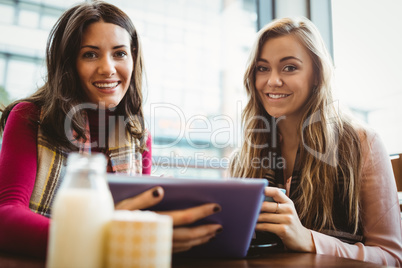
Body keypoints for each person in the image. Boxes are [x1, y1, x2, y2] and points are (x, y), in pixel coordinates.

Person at [0, 1, 222, 258]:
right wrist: (101, 240)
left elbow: (138, 218)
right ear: (69, 63)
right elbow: (6, 216)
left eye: (119, 53)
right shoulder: (30, 117)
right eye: (90, 54)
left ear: (133, 58)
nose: (108, 68)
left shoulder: (138, 135)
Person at [229, 17, 402, 266]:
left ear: (317, 75)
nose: (272, 81)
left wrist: (308, 240)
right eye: (262, 68)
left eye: (289, 67)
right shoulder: (241, 159)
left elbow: (392, 257)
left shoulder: (363, 144)